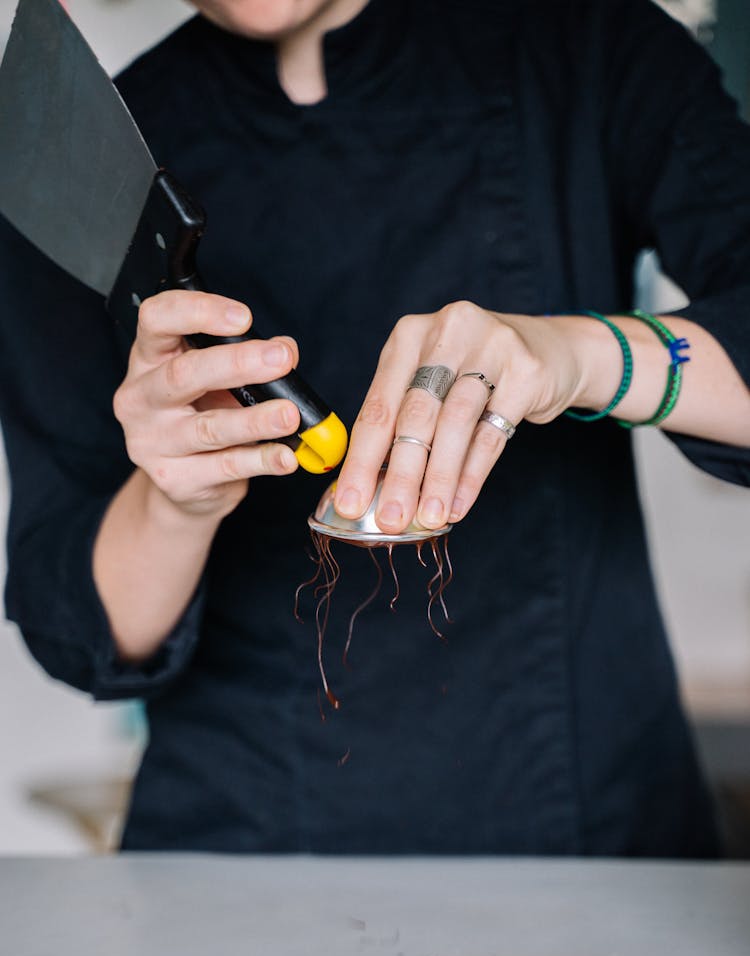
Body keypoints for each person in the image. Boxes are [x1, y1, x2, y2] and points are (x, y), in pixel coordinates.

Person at [1, 0, 749, 855]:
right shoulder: (79, 164)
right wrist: (176, 501)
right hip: (233, 854)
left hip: (587, 841)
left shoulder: (596, 48)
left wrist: (580, 356)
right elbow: (82, 629)